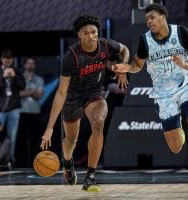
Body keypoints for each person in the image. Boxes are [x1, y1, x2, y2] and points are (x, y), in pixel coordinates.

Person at [113, 4, 188, 198]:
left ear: (163, 17)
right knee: (175, 148)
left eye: (152, 17)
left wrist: (185, 64)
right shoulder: (145, 41)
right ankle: (179, 132)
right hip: (163, 95)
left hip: (186, 86)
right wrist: (126, 68)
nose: (148, 21)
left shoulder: (181, 32)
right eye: (147, 18)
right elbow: (137, 65)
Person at [40, 14, 129, 192]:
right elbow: (61, 92)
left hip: (95, 94)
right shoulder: (71, 56)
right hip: (73, 97)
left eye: (94, 32)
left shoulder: (105, 45)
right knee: (71, 140)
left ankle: (90, 176)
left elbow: (124, 49)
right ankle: (67, 162)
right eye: (86, 33)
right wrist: (49, 128)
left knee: (98, 122)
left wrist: (123, 69)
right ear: (79, 35)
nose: (91, 36)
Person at [0, 49, 26, 157]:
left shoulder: (17, 71)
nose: (7, 61)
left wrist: (15, 77)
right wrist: (3, 77)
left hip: (14, 109)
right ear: (1, 59)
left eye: (9, 59)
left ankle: (9, 159)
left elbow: (23, 86)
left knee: (12, 135)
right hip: (0, 109)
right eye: (5, 59)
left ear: (12, 60)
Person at [18, 57, 44, 166]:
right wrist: (32, 91)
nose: (30, 65)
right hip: (22, 112)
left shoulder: (39, 79)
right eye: (28, 63)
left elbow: (39, 94)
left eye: (32, 63)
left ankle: (36, 162)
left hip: (35, 113)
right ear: (24, 65)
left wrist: (26, 92)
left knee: (35, 140)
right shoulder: (19, 78)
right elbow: (18, 94)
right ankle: (21, 163)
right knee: (22, 140)